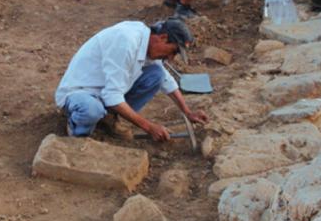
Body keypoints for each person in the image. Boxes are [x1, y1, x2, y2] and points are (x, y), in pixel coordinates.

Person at [55, 18, 209, 140]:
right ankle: (77, 131)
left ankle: (109, 118)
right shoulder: (126, 42)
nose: (170, 58)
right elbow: (112, 96)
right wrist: (149, 127)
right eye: (173, 51)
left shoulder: (147, 40)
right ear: (162, 37)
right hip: (81, 92)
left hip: (106, 91)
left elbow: (166, 80)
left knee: (157, 74)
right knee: (91, 110)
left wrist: (188, 112)